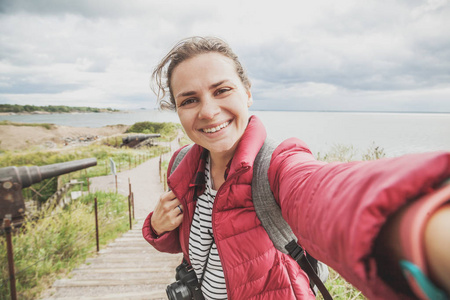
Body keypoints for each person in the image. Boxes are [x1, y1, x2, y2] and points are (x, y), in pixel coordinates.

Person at [142, 36, 450, 300]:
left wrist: (421, 222)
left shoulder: (277, 164)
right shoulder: (184, 164)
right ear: (178, 111)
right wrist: (157, 227)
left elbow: (322, 193)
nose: (208, 112)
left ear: (247, 93)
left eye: (222, 90)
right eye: (190, 100)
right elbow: (190, 241)